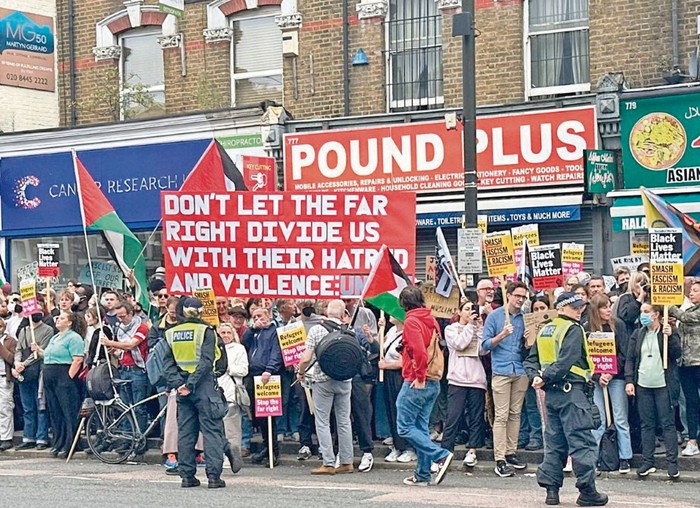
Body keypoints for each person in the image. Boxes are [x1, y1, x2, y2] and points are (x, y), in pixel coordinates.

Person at [524, 292, 608, 507]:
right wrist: (543, 377)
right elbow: (566, 361)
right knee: (582, 442)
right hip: (571, 393)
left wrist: (536, 376)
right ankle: (587, 492)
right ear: (561, 308)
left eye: (580, 307)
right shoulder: (573, 329)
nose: (579, 311)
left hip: (552, 395)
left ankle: (552, 491)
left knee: (554, 443)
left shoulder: (545, 329)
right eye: (574, 307)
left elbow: (531, 360)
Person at [162, 297, 228, 489]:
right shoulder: (206, 331)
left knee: (186, 433)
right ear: (200, 312)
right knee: (212, 431)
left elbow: (167, 366)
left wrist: (180, 385)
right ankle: (214, 478)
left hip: (182, 388)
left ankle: (187, 476)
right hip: (203, 385)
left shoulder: (171, 333)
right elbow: (207, 361)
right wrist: (191, 384)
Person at [395, 286, 453, 487]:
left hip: (417, 380)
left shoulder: (412, 321)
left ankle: (441, 456)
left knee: (404, 427)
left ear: (403, 304)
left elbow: (419, 352)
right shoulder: (431, 319)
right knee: (420, 427)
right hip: (434, 380)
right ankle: (422, 475)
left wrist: (418, 376)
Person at [298, 299, 355, 475]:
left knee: (322, 421)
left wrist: (300, 371)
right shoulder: (349, 331)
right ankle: (346, 461)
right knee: (344, 420)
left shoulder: (317, 329)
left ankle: (328, 463)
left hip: (322, 380)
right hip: (345, 380)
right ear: (343, 314)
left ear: (326, 313)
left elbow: (306, 357)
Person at [625, 304, 681, 479]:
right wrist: (629, 381)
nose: (643, 315)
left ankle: (672, 464)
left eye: (646, 312)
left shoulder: (667, 332)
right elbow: (631, 359)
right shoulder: (638, 334)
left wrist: (670, 337)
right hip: (643, 385)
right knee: (646, 424)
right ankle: (648, 461)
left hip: (663, 385)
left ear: (656, 314)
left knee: (667, 424)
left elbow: (676, 354)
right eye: (642, 312)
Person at [482, 281, 530, 477]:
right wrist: (502, 334)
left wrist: (528, 341)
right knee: (501, 415)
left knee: (515, 413)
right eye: (517, 295)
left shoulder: (526, 318)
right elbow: (485, 345)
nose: (520, 300)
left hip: (519, 370)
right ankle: (499, 458)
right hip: (501, 370)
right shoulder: (494, 316)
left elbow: (528, 348)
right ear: (508, 295)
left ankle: (511, 452)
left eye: (524, 297)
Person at [585, 294, 632, 473]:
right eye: (604, 307)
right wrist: (598, 376)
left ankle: (625, 457)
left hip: (616, 378)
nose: (608, 310)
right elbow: (587, 357)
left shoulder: (618, 325)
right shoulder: (587, 328)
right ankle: (596, 457)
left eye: (609, 306)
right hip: (597, 379)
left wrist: (611, 373)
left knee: (620, 417)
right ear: (596, 309)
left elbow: (624, 352)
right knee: (599, 420)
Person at [32, 311, 85, 459]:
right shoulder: (55, 337)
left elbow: (77, 360)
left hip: (64, 376)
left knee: (68, 411)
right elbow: (50, 355)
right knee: (55, 411)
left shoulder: (74, 338)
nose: (57, 320)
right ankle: (59, 442)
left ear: (69, 322)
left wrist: (68, 377)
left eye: (61, 318)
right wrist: (39, 350)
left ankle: (70, 443)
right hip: (50, 375)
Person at [441, 301, 486, 468]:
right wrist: (470, 327)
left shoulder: (476, 327)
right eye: (466, 309)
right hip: (457, 378)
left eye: (472, 310)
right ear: (459, 312)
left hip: (476, 378)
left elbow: (482, 350)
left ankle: (472, 450)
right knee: (453, 416)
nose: (469, 313)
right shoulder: (451, 329)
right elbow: (459, 344)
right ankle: (445, 452)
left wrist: (479, 329)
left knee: (476, 417)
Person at [100, 301, 150, 439]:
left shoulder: (142, 328)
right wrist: (113, 350)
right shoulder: (119, 328)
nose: (121, 319)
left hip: (138, 370)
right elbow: (121, 350)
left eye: (123, 316)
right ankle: (127, 437)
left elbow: (130, 345)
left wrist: (110, 343)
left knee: (138, 407)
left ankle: (139, 437)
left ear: (131, 314)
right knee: (125, 406)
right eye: (118, 317)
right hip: (124, 369)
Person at [242, 306, 283, 465]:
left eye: (260, 315)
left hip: (267, 375)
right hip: (253, 375)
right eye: (254, 316)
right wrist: (252, 329)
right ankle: (267, 447)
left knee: (269, 415)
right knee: (258, 415)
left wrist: (270, 369)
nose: (258, 319)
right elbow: (244, 342)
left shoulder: (275, 331)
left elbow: (276, 352)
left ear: (269, 315)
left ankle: (273, 451)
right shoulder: (255, 332)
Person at [13, 311, 54, 450]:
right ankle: (28, 436)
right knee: (27, 407)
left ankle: (41, 438)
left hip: (39, 371)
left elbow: (38, 353)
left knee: (40, 405)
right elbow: (19, 349)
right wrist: (17, 363)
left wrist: (24, 363)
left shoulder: (48, 330)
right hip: (24, 372)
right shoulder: (24, 330)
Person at [669, 280, 700, 457]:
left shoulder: (691, 313)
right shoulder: (688, 310)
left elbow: (687, 319)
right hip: (686, 362)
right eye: (691, 290)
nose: (692, 293)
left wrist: (668, 304)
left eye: (695, 291)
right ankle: (692, 440)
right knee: (691, 402)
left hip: (698, 361)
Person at [379, 315, 416, 463]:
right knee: (391, 410)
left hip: (400, 376)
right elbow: (380, 347)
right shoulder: (392, 330)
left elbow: (404, 361)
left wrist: (386, 365)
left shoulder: (407, 333)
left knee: (402, 411)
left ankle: (409, 447)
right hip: (388, 375)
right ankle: (397, 445)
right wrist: (376, 333)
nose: (389, 315)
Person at [217, 322, 248, 474]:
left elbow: (244, 369)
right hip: (215, 393)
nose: (226, 336)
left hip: (231, 393)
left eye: (228, 333)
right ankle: (219, 456)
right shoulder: (213, 348)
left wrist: (228, 368)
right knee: (217, 428)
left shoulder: (239, 348)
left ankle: (233, 457)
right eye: (222, 333)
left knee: (232, 429)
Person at [0, 319, 17, 451]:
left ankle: (6, 437)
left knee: (5, 407)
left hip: (4, 377)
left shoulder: (10, 341)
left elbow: (12, 359)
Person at [616, 271, 649, 337]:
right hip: (631, 335)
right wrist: (639, 299)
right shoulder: (625, 298)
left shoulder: (649, 299)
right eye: (639, 281)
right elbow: (627, 317)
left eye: (644, 282)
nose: (641, 285)